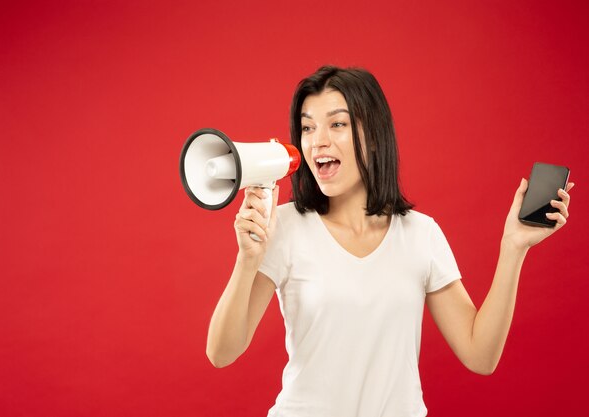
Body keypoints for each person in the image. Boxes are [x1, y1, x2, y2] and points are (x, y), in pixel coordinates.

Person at [205, 66, 574, 417]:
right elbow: (221, 353)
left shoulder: (421, 234)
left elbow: (481, 355)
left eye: (337, 124)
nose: (318, 141)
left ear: (375, 136)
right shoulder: (284, 227)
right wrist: (247, 259)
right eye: (307, 127)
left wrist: (513, 248)